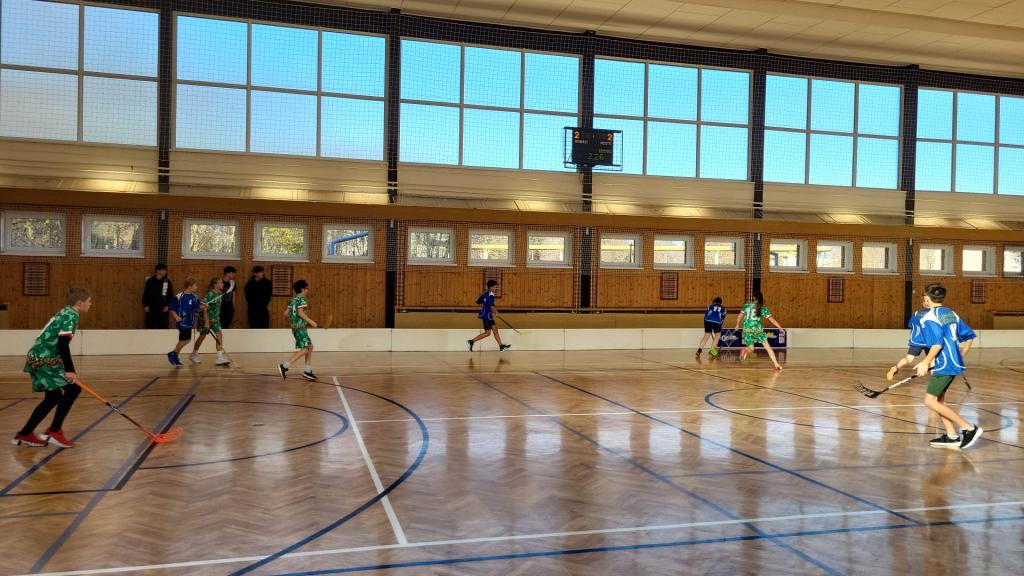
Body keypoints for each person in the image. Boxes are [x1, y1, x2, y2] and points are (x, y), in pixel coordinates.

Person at [12, 288, 91, 448]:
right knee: (70, 390)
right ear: (79, 303)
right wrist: (70, 370)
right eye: (89, 301)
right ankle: (51, 431)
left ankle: (29, 433)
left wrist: (60, 363)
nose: (91, 304)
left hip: (42, 357)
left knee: (57, 395)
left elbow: (56, 342)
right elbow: (62, 344)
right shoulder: (71, 316)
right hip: (43, 358)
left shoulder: (66, 311)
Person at [915, 283, 982, 450]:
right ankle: (952, 436)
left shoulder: (929, 317)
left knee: (930, 401)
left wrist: (925, 362)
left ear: (926, 299)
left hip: (944, 364)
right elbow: (969, 336)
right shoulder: (951, 313)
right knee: (939, 400)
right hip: (951, 363)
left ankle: (969, 428)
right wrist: (960, 355)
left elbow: (937, 344)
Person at [733, 291, 784, 370]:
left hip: (747, 329)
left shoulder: (746, 306)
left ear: (753, 297)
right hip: (758, 330)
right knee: (767, 347)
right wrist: (780, 327)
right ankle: (776, 364)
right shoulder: (763, 307)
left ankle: (745, 350)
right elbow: (772, 320)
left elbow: (739, 316)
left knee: (751, 348)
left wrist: (737, 324)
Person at [279, 280, 317, 381]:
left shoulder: (293, 300)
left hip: (296, 328)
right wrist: (311, 322)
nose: (308, 290)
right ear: (302, 289)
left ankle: (307, 370)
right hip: (300, 329)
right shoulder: (302, 299)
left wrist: (297, 321)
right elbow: (300, 313)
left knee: (310, 346)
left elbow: (286, 313)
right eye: (307, 288)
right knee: (305, 349)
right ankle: (284, 366)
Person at [167, 277, 204, 368]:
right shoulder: (179, 296)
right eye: (195, 285)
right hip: (182, 322)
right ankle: (173, 354)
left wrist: (201, 308)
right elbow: (171, 308)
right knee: (185, 340)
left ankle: (174, 355)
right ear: (189, 286)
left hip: (189, 322)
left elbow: (197, 308)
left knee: (185, 340)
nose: (197, 287)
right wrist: (176, 316)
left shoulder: (195, 297)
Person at [193, 277, 229, 366]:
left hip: (216, 320)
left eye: (222, 282)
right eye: (220, 282)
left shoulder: (220, 294)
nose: (222, 284)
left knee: (219, 335)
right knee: (202, 337)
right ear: (215, 284)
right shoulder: (210, 294)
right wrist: (206, 322)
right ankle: (194, 354)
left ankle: (219, 358)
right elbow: (203, 306)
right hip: (207, 320)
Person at [886, 307, 929, 381]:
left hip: (916, 340)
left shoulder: (916, 313)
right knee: (932, 360)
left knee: (908, 358)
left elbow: (911, 325)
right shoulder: (934, 313)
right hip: (929, 340)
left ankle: (896, 367)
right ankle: (935, 379)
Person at [467, 280, 510, 352]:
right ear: (491, 287)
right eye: (495, 287)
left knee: (495, 330)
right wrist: (496, 312)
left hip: (489, 316)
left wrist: (483, 297)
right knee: (487, 333)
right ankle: (471, 341)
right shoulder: (491, 295)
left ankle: (501, 346)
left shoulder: (486, 294)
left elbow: (477, 301)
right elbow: (491, 306)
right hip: (486, 316)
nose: (496, 288)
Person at [142, 264, 173, 329]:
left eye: (165, 270)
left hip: (163, 310)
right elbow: (145, 294)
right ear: (158, 271)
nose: (165, 272)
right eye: (163, 270)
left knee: (163, 330)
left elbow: (170, 296)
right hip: (151, 310)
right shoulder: (150, 281)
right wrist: (145, 305)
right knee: (149, 329)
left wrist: (168, 306)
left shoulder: (167, 282)